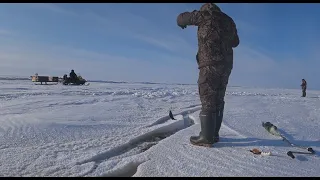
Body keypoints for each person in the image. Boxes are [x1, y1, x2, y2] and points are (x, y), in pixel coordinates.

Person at [177, 3, 239, 147]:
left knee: (208, 98)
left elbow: (180, 18)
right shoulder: (229, 21)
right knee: (219, 99)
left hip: (209, 64)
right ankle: (214, 134)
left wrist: (183, 24)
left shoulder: (203, 16)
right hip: (226, 66)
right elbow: (236, 42)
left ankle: (206, 137)